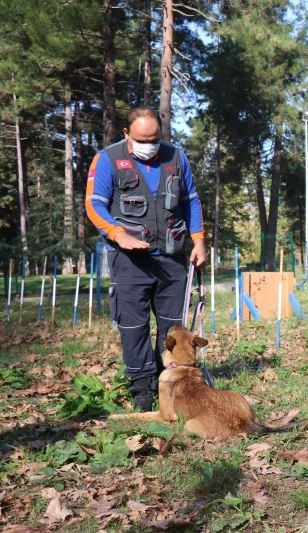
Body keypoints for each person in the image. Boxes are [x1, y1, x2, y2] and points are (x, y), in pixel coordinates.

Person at [85, 107, 206, 410]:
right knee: (133, 326)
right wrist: (117, 234)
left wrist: (199, 240)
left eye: (155, 139)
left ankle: (170, 380)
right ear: (127, 133)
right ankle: (142, 386)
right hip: (129, 260)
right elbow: (94, 205)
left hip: (171, 257)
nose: (149, 145)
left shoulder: (176, 157)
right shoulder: (107, 159)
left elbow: (191, 201)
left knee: (172, 328)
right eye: (142, 139)